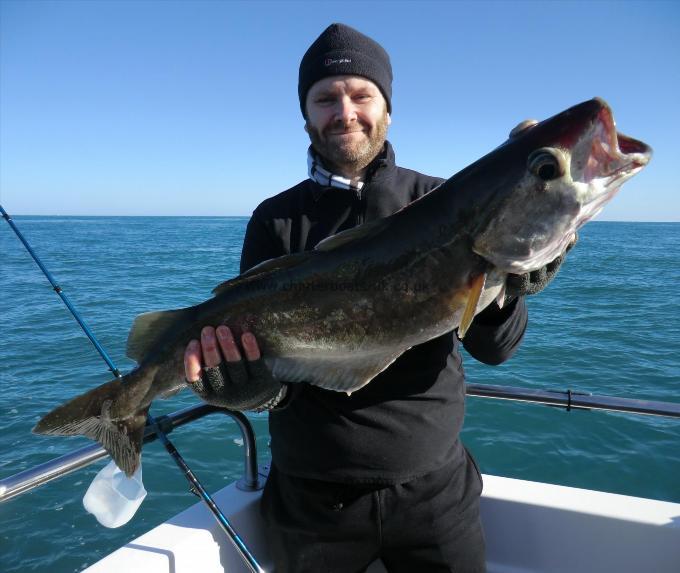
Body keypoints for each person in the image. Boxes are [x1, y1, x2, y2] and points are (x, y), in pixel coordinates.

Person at [183, 23, 569, 573]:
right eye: (325, 98)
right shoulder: (275, 220)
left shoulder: (442, 199)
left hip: (435, 493)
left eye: (362, 94)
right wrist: (253, 387)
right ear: (307, 114)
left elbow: (496, 348)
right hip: (313, 501)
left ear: (387, 108)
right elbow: (272, 369)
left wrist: (507, 283)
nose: (345, 111)